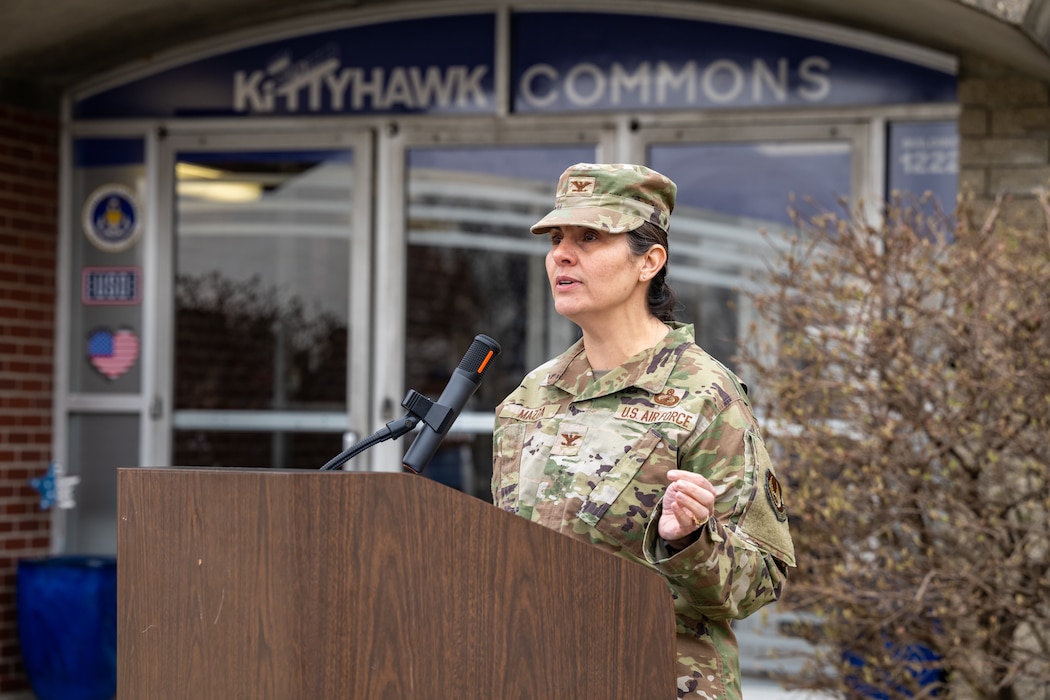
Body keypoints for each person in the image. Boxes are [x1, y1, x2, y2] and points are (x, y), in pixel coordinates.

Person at [490, 163, 796, 699]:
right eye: (557, 239)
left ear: (649, 261)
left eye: (590, 238)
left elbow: (761, 581)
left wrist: (692, 539)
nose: (562, 255)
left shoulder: (706, 394)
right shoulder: (530, 397)